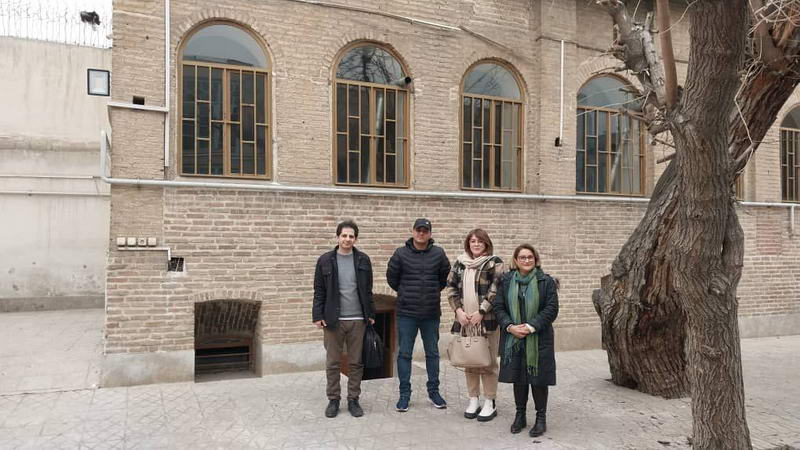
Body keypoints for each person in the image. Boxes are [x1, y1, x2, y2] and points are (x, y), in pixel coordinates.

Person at [494, 243, 559, 437]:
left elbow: (551, 309)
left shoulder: (546, 281)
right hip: (513, 337)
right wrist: (510, 327)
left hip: (539, 337)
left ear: (535, 259)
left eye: (530, 257)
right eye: (522, 257)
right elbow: (499, 307)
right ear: (515, 260)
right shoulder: (506, 281)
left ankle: (541, 419)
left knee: (538, 379)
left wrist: (530, 326)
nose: (526, 260)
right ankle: (520, 415)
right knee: (518, 377)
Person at [312, 220, 376, 418]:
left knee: (356, 362)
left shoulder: (363, 260)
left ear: (355, 239)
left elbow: (368, 290)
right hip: (333, 320)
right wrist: (317, 315)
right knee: (333, 362)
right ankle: (333, 399)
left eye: (351, 236)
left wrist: (371, 313)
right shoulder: (325, 260)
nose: (347, 239)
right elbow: (319, 291)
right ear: (338, 237)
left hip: (358, 319)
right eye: (344, 235)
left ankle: (353, 399)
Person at [386, 218, 451, 412]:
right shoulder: (400, 253)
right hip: (407, 313)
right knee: (404, 354)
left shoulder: (438, 254)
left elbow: (443, 279)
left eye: (425, 231)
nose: (421, 233)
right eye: (418, 230)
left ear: (430, 233)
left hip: (431, 313)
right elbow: (392, 278)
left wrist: (431, 292)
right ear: (413, 231)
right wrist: (405, 293)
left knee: (432, 353)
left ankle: (434, 392)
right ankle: (404, 395)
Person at [445, 229, 505, 422]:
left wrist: (481, 311)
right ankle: (473, 399)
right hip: (465, 321)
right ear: (468, 244)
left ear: (486, 243)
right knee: (469, 361)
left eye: (480, 241)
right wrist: (458, 311)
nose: (476, 244)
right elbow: (451, 287)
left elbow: (496, 289)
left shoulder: (495, 263)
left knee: (488, 362)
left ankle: (490, 401)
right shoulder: (460, 263)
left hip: (486, 321)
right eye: (473, 241)